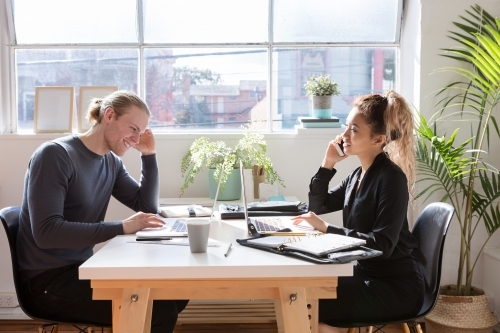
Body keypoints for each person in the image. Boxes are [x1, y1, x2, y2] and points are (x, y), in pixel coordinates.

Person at [16, 90, 188, 332]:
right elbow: (47, 233)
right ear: (109, 116)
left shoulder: (110, 162)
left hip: (84, 268)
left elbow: (147, 208)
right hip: (48, 283)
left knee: (175, 292)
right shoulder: (55, 155)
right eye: (132, 129)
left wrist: (149, 156)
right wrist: (120, 227)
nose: (136, 139)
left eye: (140, 132)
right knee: (160, 311)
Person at [292, 90, 424, 333]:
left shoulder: (391, 179)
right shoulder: (356, 176)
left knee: (311, 302)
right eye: (346, 126)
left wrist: (328, 229)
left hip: (395, 286)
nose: (344, 136)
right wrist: (327, 164)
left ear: (378, 140)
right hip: (365, 275)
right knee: (307, 294)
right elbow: (318, 206)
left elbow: (382, 244)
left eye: (353, 129)